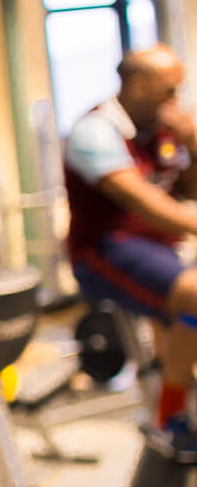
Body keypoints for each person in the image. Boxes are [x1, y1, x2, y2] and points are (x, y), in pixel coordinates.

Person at [64, 44, 197, 449]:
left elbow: (189, 191)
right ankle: (169, 413)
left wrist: (194, 141)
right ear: (138, 86)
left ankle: (176, 382)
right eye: (169, 91)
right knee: (194, 294)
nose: (176, 100)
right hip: (105, 251)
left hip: (158, 248)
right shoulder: (95, 131)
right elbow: (150, 206)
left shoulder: (163, 131)